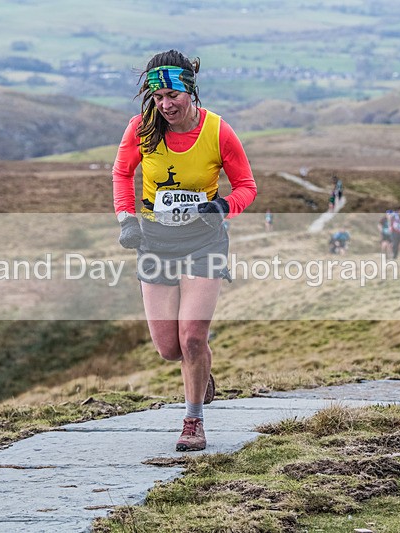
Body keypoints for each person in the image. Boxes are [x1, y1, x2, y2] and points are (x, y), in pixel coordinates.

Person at [112, 50, 257, 452]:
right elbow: (122, 173)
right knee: (169, 348)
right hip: (156, 241)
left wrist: (222, 207)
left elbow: (247, 186)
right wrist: (126, 219)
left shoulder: (218, 131)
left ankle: (193, 421)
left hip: (204, 241)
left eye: (172, 95)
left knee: (193, 337)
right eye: (158, 97)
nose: (165, 105)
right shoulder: (141, 128)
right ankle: (200, 369)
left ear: (190, 91)